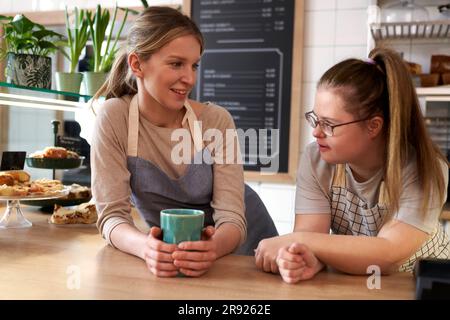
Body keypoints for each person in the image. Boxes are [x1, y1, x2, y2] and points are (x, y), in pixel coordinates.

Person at [90, 6, 278, 278]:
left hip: (240, 247)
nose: (190, 78)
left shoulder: (216, 121)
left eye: (194, 65)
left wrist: (211, 249)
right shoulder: (114, 117)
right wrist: (147, 248)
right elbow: (111, 217)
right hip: (176, 255)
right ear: (137, 64)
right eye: (176, 64)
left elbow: (233, 220)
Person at [254, 47, 450, 283]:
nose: (316, 132)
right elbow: (312, 237)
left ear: (373, 126)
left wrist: (301, 240)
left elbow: (387, 254)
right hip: (357, 282)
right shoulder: (316, 159)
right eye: (315, 119)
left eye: (329, 124)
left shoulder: (424, 168)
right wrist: (302, 258)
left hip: (422, 285)